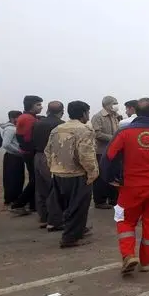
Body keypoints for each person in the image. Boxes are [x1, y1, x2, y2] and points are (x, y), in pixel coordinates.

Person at [100, 98, 149, 274]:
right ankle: (146, 262)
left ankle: (128, 255)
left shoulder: (123, 133)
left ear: (135, 112)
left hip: (130, 186)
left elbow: (108, 157)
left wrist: (109, 178)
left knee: (126, 220)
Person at [45, 101, 98, 248]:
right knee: (78, 206)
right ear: (83, 114)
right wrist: (92, 173)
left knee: (66, 204)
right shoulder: (84, 130)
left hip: (59, 173)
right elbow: (85, 155)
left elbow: (48, 151)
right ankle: (70, 238)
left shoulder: (57, 129)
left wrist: (53, 167)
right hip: (77, 174)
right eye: (87, 112)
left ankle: (77, 229)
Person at [32, 101, 65, 230]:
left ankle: (43, 218)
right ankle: (55, 220)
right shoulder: (61, 125)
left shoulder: (37, 123)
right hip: (52, 158)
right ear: (62, 111)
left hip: (38, 156)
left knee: (41, 189)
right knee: (54, 189)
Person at [11, 95, 43, 215]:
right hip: (30, 152)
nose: (41, 107)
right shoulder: (28, 119)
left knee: (33, 178)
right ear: (31, 105)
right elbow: (29, 138)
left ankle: (32, 204)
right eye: (38, 104)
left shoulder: (27, 117)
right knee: (35, 179)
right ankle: (19, 204)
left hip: (27, 152)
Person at [91, 96, 120, 209]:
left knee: (112, 175)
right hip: (101, 151)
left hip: (113, 151)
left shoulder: (115, 116)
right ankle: (100, 200)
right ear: (107, 105)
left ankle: (113, 198)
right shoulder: (98, 117)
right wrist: (114, 138)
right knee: (101, 177)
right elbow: (97, 134)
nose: (117, 105)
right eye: (115, 103)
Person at [0, 111, 25, 208]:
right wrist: (19, 151)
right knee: (12, 179)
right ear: (13, 118)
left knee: (18, 178)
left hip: (16, 157)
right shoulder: (10, 129)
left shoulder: (14, 128)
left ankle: (15, 198)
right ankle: (10, 199)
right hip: (12, 157)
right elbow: (6, 144)